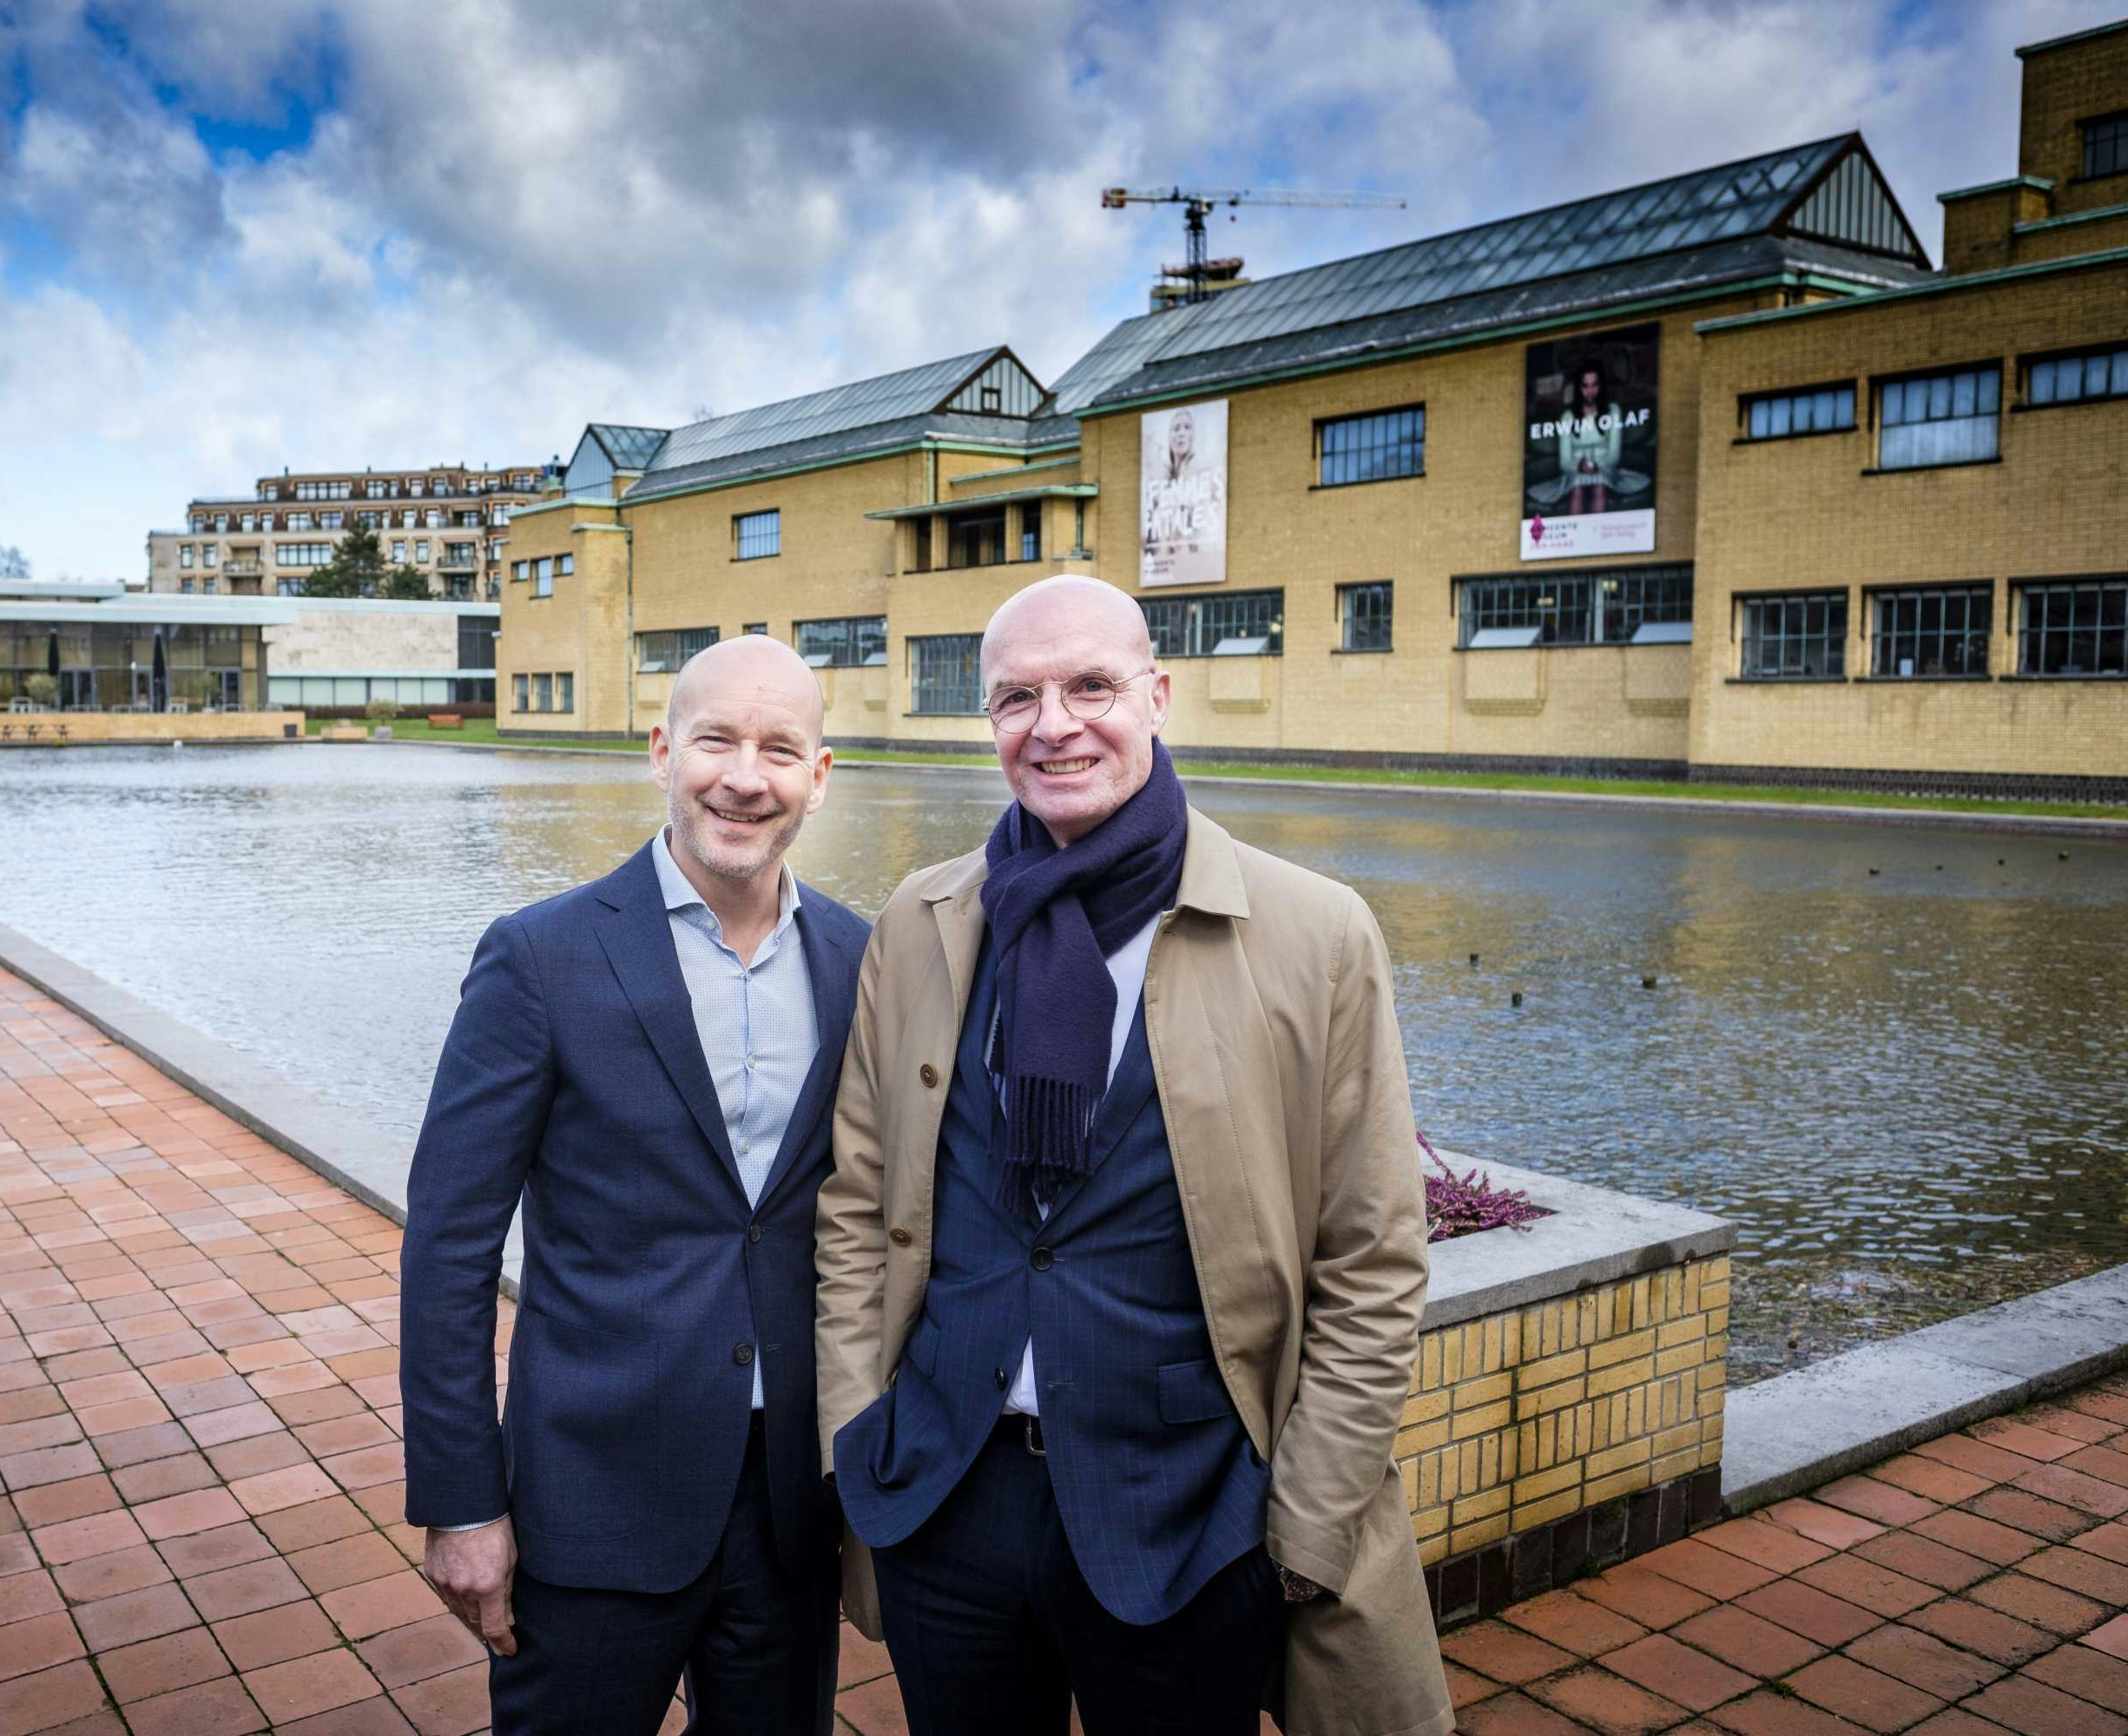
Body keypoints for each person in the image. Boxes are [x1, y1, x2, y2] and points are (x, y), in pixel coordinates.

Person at [815, 575, 1452, 1736]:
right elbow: (860, 1204)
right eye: (1016, 698)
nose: (1054, 725)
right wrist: (857, 1442)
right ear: (990, 723)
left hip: (1190, 1514)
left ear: (1158, 695)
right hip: (945, 1497)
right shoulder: (922, 919)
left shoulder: (1312, 933)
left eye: (1090, 686)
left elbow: (1371, 1259)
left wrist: (1306, 1517)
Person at [401, 634, 871, 1735]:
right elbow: (450, 1249)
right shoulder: (540, 956)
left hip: (795, 1503)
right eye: (714, 739)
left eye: (778, 748)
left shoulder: (863, 956)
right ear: (662, 749)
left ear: (819, 773)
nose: (743, 776)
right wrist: (464, 1500)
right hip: (594, 1497)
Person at [1559, 359, 1620, 517]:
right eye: (1585, 386)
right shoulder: (1568, 417)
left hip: (1604, 469)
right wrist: (1578, 467)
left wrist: (1598, 466)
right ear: (1578, 388)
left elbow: (1614, 454)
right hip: (1576, 471)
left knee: (1600, 485)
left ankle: (1596, 539)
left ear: (1601, 386)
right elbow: (1564, 461)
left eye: (1594, 385)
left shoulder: (1613, 411)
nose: (1590, 391)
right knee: (1577, 488)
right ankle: (1576, 540)